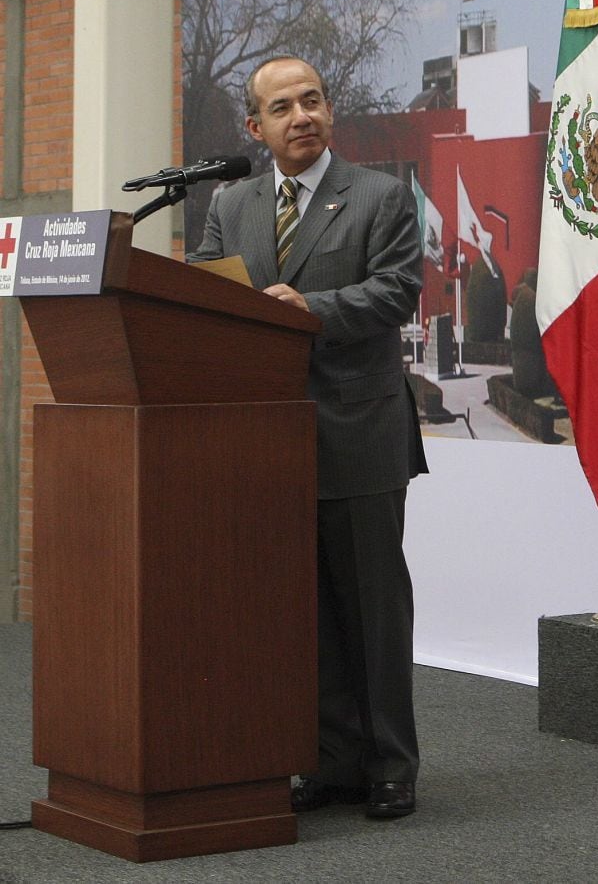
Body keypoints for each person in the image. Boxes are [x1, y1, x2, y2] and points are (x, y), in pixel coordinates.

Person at [190, 55, 427, 820]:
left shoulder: (381, 195)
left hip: (358, 432)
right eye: (284, 107)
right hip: (268, 439)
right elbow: (206, 286)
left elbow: (397, 289)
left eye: (313, 100)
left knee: (372, 611)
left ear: (330, 110)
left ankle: (392, 763)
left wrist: (310, 305)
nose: (303, 116)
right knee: (308, 612)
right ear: (254, 128)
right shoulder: (233, 202)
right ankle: (334, 759)